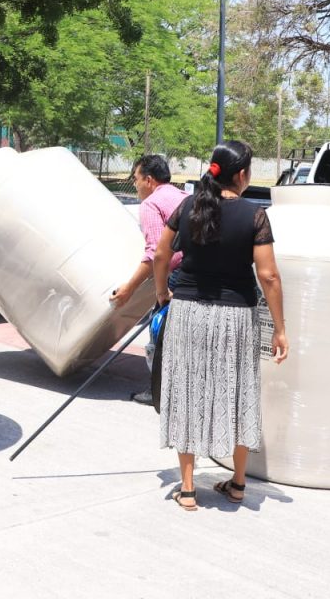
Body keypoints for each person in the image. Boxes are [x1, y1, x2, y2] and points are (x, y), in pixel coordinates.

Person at [153, 140, 289, 511]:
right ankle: (239, 483)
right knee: (239, 390)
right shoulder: (254, 215)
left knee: (186, 391)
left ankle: (187, 489)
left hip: (187, 313)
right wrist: (280, 328)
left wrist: (162, 293)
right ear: (242, 174)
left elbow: (161, 254)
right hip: (237, 316)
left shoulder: (187, 206)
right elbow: (269, 276)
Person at [112, 154, 188, 405]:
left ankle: (159, 391)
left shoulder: (151, 204)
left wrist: (130, 289)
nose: (135, 185)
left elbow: (156, 253)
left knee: (160, 331)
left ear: (149, 179)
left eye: (136, 179)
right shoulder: (183, 196)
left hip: (177, 275)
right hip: (196, 273)